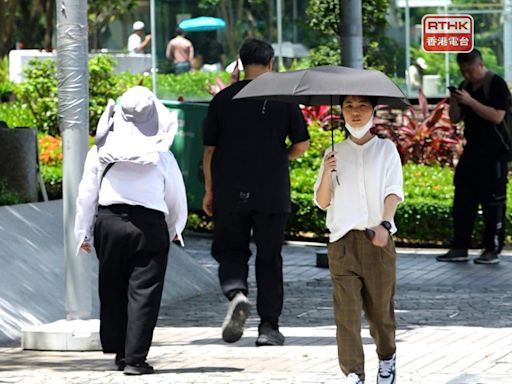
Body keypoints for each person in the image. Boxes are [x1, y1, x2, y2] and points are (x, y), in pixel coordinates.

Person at [202, 38, 310, 346]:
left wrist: (210, 191)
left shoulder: (222, 100)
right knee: (269, 258)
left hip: (229, 190)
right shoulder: (284, 100)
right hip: (272, 191)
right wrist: (280, 157)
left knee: (231, 250)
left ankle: (236, 293)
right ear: (271, 64)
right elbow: (301, 145)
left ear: (240, 64)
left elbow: (209, 151)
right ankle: (269, 328)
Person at [74, 86, 187, 375]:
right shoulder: (162, 155)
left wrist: (83, 233)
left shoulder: (100, 151)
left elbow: (87, 193)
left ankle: (120, 351)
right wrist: (175, 228)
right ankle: (135, 359)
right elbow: (175, 196)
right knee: (144, 293)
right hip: (149, 227)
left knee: (113, 288)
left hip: (108, 223)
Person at [314, 95, 403, 384]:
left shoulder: (386, 150)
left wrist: (385, 224)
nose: (355, 113)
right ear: (341, 111)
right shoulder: (333, 151)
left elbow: (393, 191)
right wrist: (327, 171)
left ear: (373, 111)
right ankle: (354, 373)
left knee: (380, 315)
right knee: (347, 314)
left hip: (377, 240)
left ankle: (387, 358)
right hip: (341, 243)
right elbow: (322, 201)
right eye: (349, 106)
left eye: (362, 106)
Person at [436, 49, 511, 265]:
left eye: (470, 70)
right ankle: (460, 247)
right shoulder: (465, 87)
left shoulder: (495, 83)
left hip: (495, 152)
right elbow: (454, 119)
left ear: (480, 64)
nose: (467, 75)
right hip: (472, 151)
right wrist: (456, 102)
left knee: (493, 202)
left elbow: (497, 116)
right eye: (463, 71)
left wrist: (470, 101)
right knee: (462, 200)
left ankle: (491, 249)